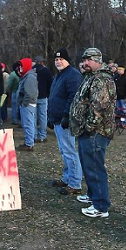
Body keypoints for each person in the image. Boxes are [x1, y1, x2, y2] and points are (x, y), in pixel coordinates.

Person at [69, 47, 116, 218]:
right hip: (88, 131)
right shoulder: (91, 77)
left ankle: (100, 206)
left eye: (88, 60)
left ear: (97, 60)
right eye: (84, 60)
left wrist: (89, 127)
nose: (84, 63)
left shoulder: (102, 79)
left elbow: (99, 106)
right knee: (88, 165)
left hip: (96, 132)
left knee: (95, 166)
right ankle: (92, 195)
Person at [47, 47, 83, 196]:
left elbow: (73, 97)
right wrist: (51, 117)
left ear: (67, 60)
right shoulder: (59, 75)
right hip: (56, 118)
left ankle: (75, 183)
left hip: (65, 119)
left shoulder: (72, 75)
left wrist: (67, 116)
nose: (58, 62)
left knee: (69, 151)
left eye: (61, 59)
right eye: (56, 59)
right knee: (64, 151)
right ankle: (67, 178)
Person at [16, 58, 38, 151]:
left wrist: (24, 103)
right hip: (26, 104)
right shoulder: (26, 76)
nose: (20, 68)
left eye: (21, 66)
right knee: (28, 123)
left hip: (28, 105)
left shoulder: (30, 77)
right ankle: (29, 142)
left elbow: (29, 93)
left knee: (28, 124)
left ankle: (29, 144)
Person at [33, 55, 53, 143]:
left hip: (32, 97)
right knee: (43, 117)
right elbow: (50, 84)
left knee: (33, 117)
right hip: (43, 96)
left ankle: (33, 135)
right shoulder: (46, 71)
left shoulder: (31, 70)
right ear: (42, 62)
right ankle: (42, 136)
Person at [5, 60, 22, 125]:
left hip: (14, 91)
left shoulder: (13, 74)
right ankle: (21, 120)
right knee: (20, 107)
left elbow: (9, 84)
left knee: (14, 107)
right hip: (22, 92)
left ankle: (15, 120)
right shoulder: (22, 73)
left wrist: (7, 91)